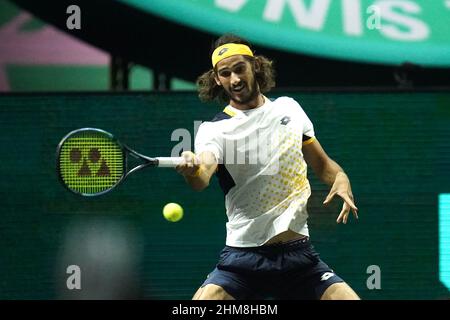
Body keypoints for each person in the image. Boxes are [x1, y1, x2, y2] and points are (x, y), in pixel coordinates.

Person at [176, 34, 360, 300]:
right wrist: (192, 169)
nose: (235, 79)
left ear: (255, 66)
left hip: (299, 257)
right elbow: (202, 177)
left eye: (240, 69)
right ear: (217, 80)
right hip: (243, 259)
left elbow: (324, 165)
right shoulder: (214, 130)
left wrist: (341, 179)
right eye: (225, 73)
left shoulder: (290, 109)